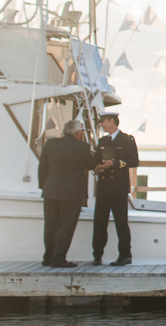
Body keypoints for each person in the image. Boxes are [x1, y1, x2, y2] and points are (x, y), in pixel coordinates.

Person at [37, 120, 94, 268]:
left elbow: (42, 166)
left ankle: (48, 257)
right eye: (81, 130)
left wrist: (44, 186)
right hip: (72, 192)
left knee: (50, 225)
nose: (81, 133)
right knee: (66, 225)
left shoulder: (51, 144)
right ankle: (58, 258)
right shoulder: (82, 147)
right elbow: (90, 164)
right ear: (77, 133)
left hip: (51, 190)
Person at [92, 112, 139, 266]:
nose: (100, 124)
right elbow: (96, 160)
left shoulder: (127, 140)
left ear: (112, 121)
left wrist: (115, 164)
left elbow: (134, 161)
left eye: (102, 121)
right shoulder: (102, 141)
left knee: (121, 222)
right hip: (104, 188)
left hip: (118, 188)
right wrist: (97, 167)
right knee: (99, 223)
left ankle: (125, 255)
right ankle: (97, 255)